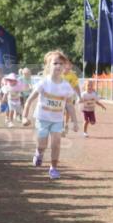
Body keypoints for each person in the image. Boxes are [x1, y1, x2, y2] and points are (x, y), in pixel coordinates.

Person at [22, 50, 79, 180]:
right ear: (48, 65)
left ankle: (53, 168)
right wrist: (25, 117)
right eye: (55, 63)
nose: (58, 66)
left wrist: (75, 122)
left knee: (56, 143)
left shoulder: (66, 86)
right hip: (42, 118)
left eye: (61, 63)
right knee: (42, 144)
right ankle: (39, 153)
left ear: (64, 66)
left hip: (57, 120)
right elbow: (29, 100)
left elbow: (70, 105)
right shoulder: (43, 83)